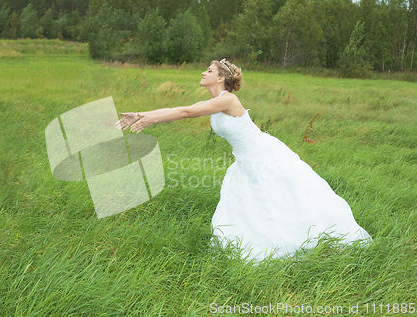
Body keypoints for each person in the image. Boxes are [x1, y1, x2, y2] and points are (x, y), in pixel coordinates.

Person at [115, 59, 371, 262]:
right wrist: (139, 115)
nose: (204, 73)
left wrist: (151, 120)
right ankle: (260, 242)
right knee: (251, 202)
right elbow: (182, 108)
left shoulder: (228, 99)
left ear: (220, 78)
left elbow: (187, 113)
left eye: (209, 70)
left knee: (285, 198)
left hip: (264, 156)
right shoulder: (217, 100)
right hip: (246, 160)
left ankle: (307, 241)